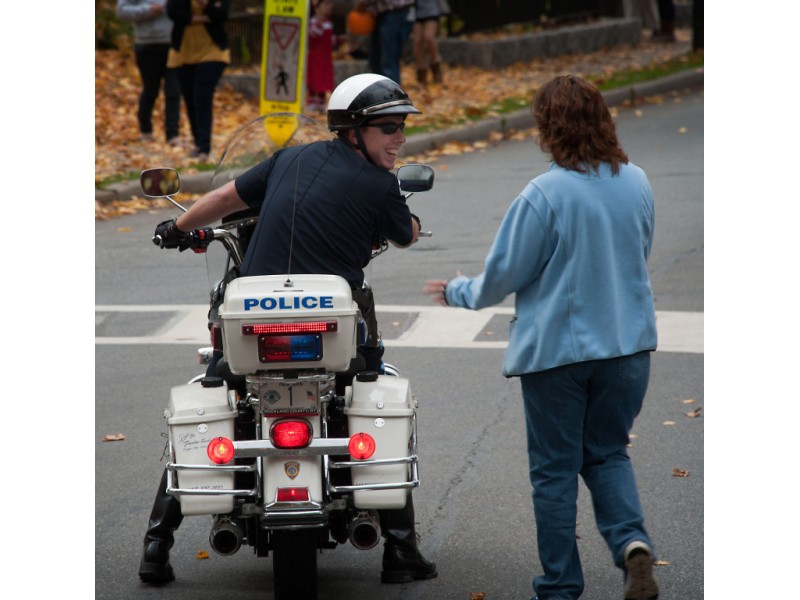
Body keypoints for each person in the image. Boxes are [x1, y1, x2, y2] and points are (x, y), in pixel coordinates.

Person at [140, 73, 437, 586]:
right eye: (388, 127)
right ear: (353, 132)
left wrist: (178, 226)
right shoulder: (380, 185)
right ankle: (401, 548)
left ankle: (156, 546)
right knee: (370, 391)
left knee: (212, 391)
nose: (399, 138)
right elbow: (405, 235)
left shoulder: (290, 160)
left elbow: (227, 197)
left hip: (253, 323)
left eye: (400, 127)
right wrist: (404, 219)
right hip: (330, 326)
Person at [424, 75, 659, 600]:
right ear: (602, 119)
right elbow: (635, 256)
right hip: (629, 349)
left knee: (553, 475)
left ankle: (559, 587)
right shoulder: (637, 181)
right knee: (607, 454)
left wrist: (459, 291)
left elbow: (502, 276)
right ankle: (631, 545)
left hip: (559, 356)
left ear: (548, 128)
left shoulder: (544, 194)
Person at [166, 0, 230, 160]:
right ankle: (198, 142)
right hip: (184, 52)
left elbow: (221, 15)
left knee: (202, 95)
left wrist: (204, 5)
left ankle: (204, 147)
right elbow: (174, 13)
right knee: (190, 97)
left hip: (213, 51)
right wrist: (202, 18)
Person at [116, 0, 181, 144]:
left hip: (173, 43)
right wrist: (149, 10)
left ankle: (173, 134)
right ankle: (145, 130)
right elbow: (121, 11)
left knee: (173, 91)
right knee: (150, 90)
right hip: (146, 44)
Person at [357, 0, 416, 86]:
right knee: (377, 60)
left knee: (388, 61)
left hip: (394, 12)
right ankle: (379, 91)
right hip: (384, 13)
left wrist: (362, 3)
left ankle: (392, 94)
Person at [306, 0, 341, 113]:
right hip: (316, 58)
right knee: (315, 79)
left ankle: (320, 103)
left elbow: (328, 40)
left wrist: (340, 39)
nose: (329, 7)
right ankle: (312, 103)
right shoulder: (313, 22)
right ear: (317, 8)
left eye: (330, 4)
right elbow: (314, 35)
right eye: (326, 4)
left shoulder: (329, 23)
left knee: (323, 80)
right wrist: (319, 22)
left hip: (326, 58)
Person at [412, 0, 444, 86]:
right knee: (418, 40)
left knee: (428, 37)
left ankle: (436, 66)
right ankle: (421, 71)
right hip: (416, 13)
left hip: (432, 12)